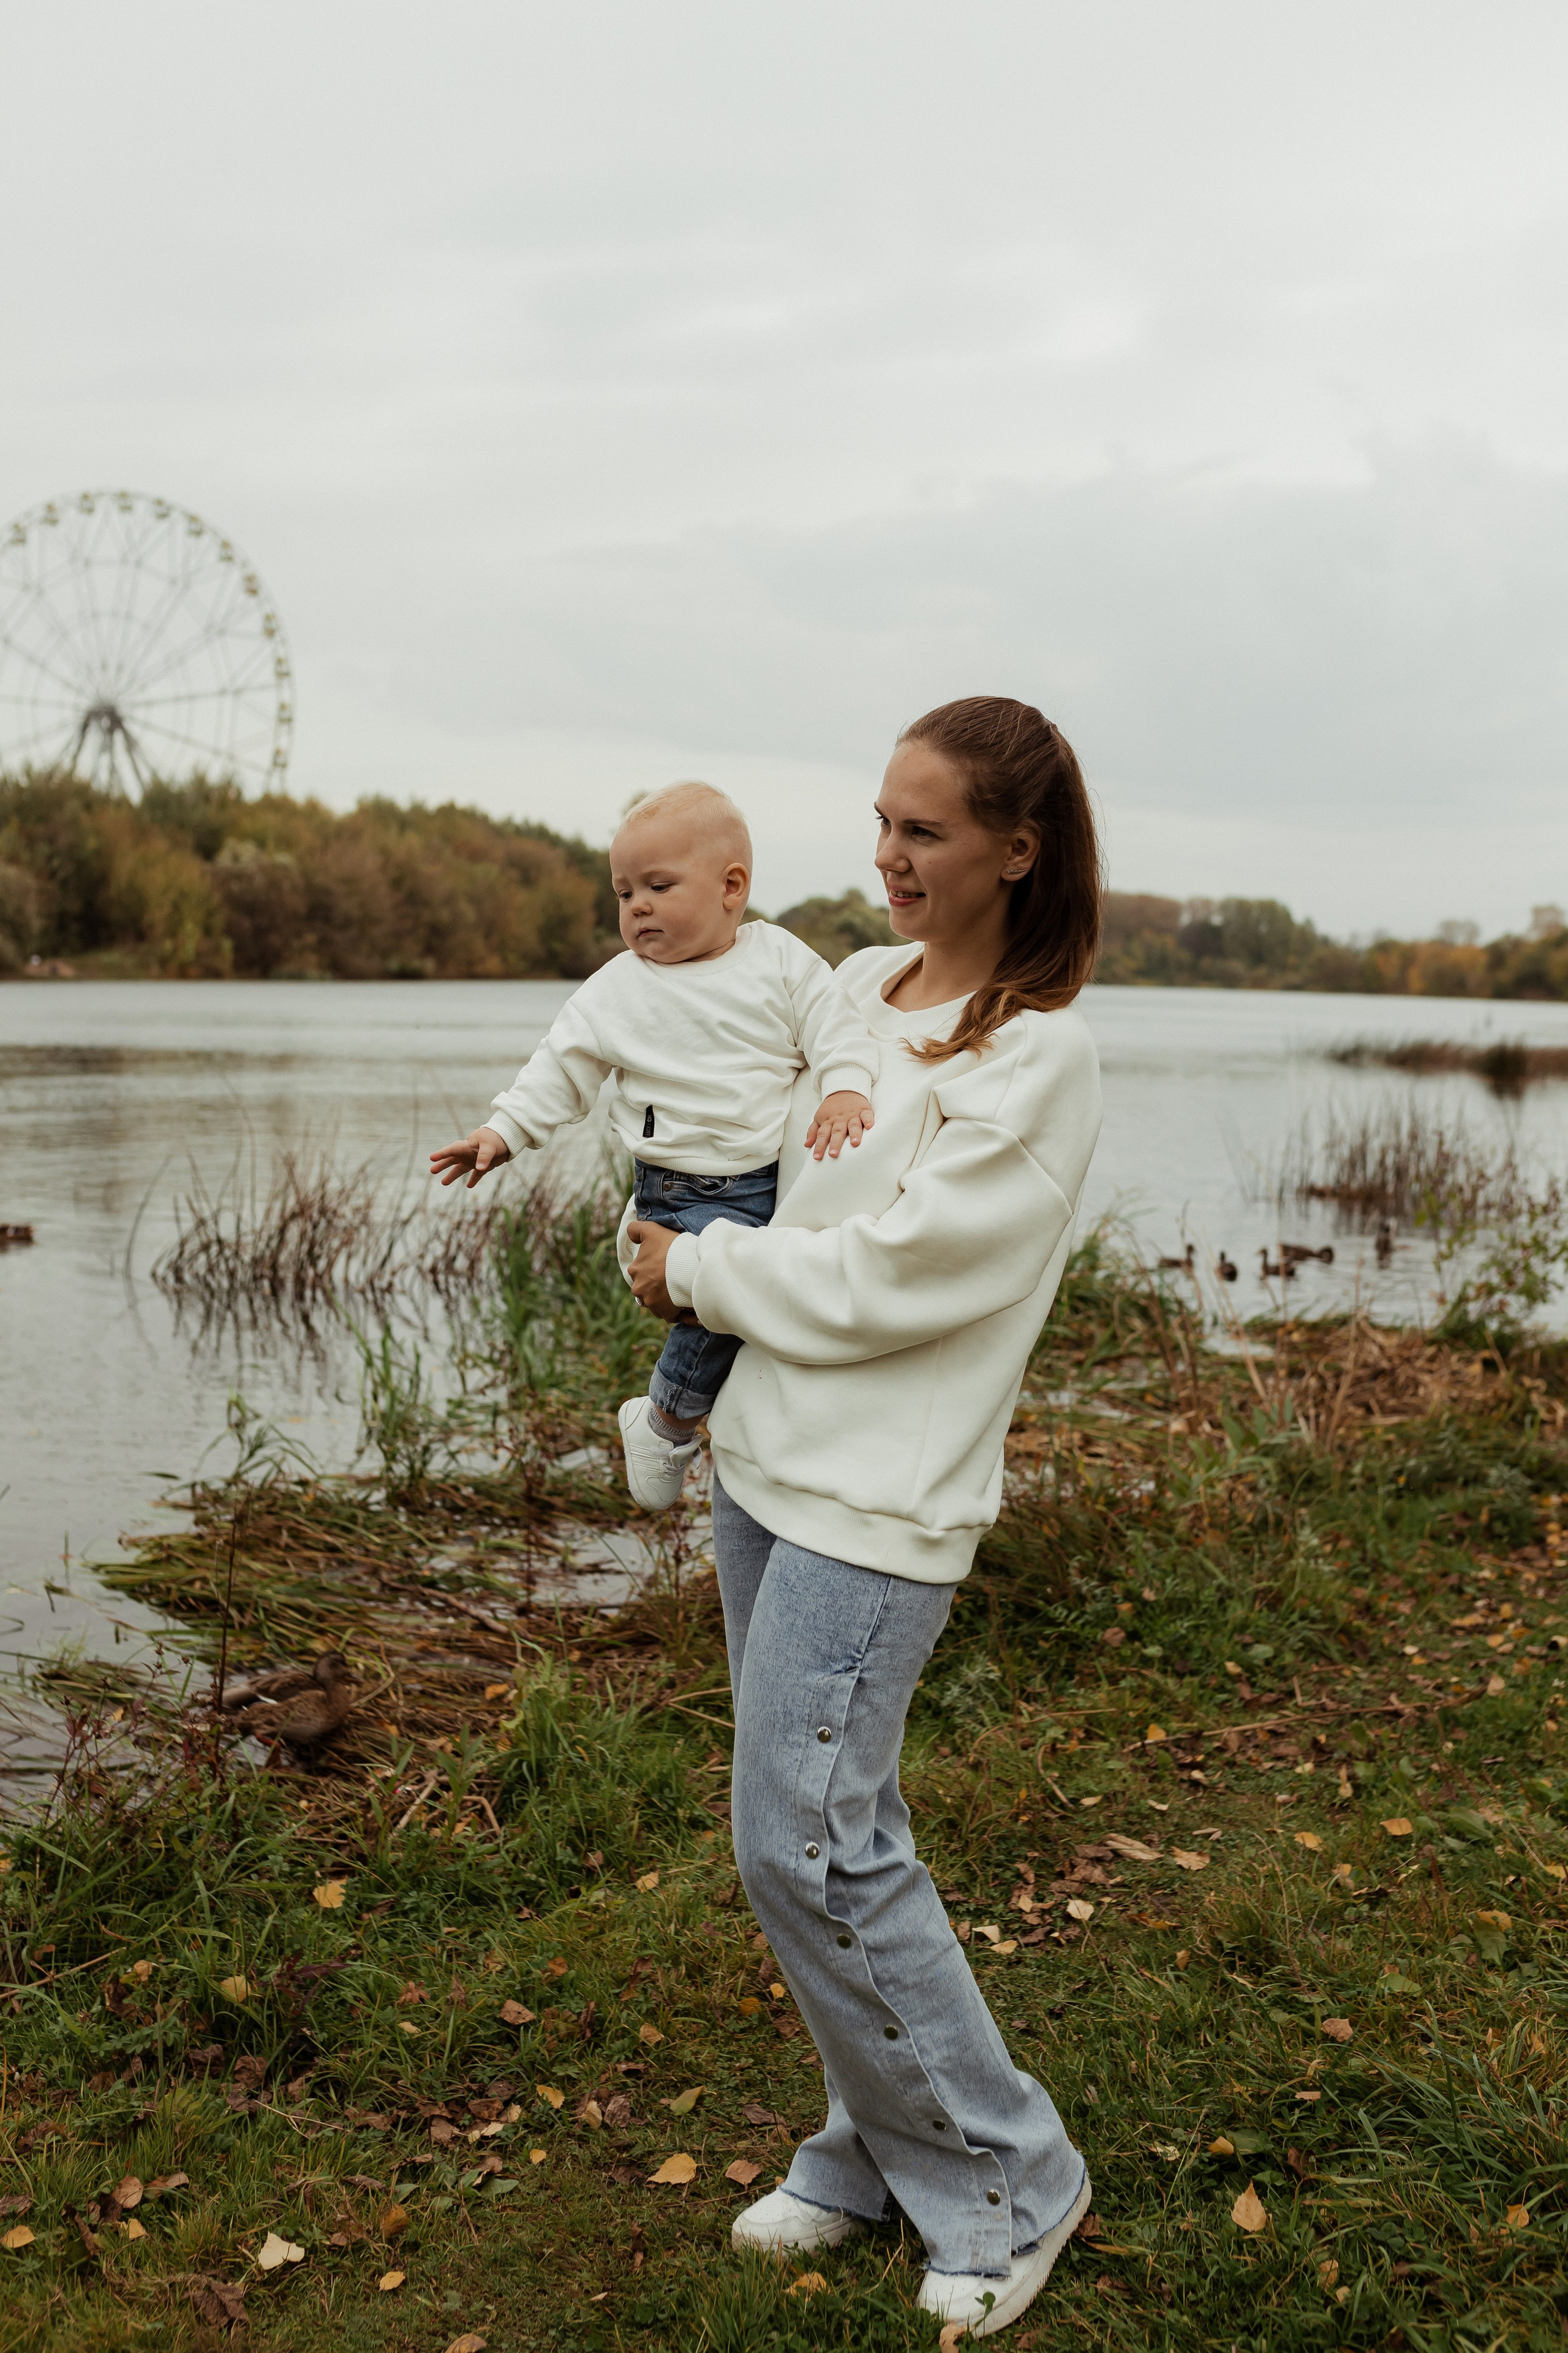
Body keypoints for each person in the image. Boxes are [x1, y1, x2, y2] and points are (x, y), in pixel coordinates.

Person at [625, 698, 1104, 2340]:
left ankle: (1011, 2177)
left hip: (878, 1503)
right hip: (765, 1466)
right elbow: (774, 1172)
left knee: (812, 1840)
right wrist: (670, 1188)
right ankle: (872, 2146)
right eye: (883, 822)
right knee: (810, 1839)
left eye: (928, 833)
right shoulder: (849, 989)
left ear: (1016, 852)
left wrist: (695, 1273)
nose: (889, 857)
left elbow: (897, 1276)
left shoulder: (1037, 1053)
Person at [429, 780, 878, 1509]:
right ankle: (666, 1420)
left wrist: (845, 1087)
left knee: (770, 1301)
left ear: (732, 887)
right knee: (715, 1308)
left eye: (658, 886)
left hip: (775, 1181)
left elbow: (836, 1029)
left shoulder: (781, 961)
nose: (636, 906)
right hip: (681, 1188)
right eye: (623, 892)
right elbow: (560, 1066)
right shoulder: (618, 988)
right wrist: (502, 1132)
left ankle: (716, 1425)